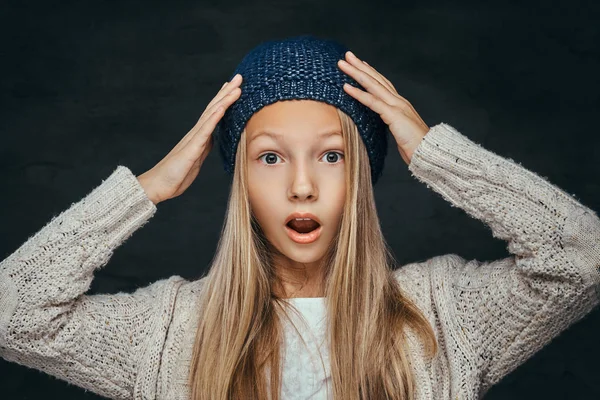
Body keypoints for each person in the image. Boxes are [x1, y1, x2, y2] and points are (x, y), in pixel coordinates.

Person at [0, 34, 598, 400]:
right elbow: (11, 314)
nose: (303, 186)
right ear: (241, 180)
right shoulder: (166, 331)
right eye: (269, 157)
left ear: (360, 174)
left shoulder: (446, 314)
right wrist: (147, 189)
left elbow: (583, 259)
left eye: (332, 155)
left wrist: (439, 155)